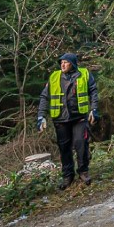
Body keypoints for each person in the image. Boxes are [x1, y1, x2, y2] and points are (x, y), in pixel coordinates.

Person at [37, 53, 99, 189]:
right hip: (60, 119)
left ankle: (83, 171)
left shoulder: (84, 74)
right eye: (61, 62)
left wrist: (94, 109)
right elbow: (44, 96)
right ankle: (67, 176)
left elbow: (93, 91)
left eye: (66, 62)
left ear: (73, 63)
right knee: (64, 148)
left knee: (80, 143)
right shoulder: (54, 77)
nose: (62, 65)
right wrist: (41, 116)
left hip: (79, 117)